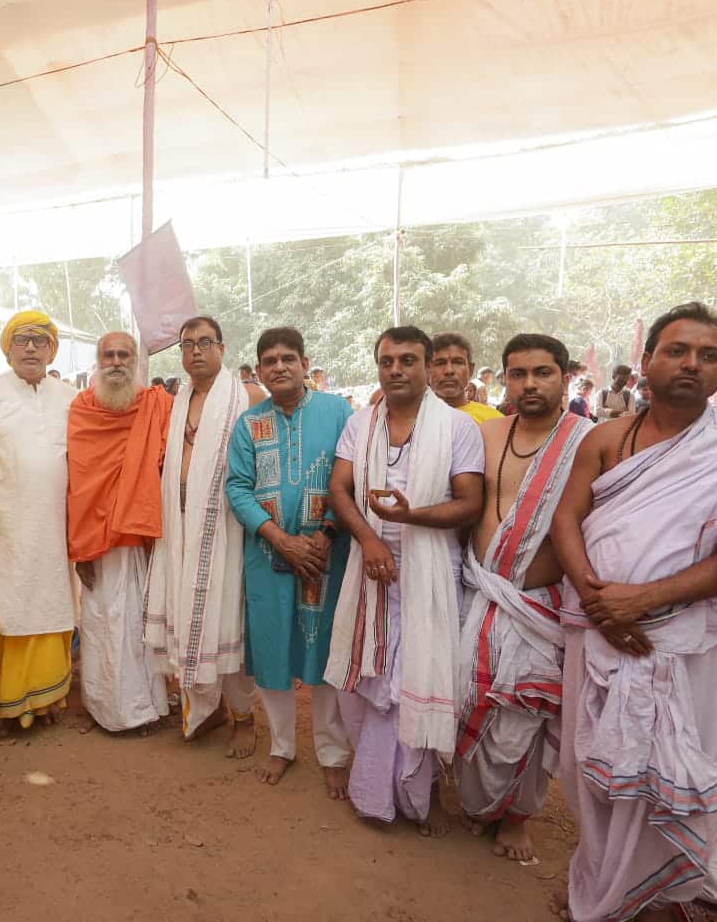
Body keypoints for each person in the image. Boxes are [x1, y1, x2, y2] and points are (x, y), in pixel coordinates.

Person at [549, 302, 717, 922]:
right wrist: (601, 602)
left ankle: (657, 895)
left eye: (708, 356)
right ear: (648, 360)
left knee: (681, 762)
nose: (691, 364)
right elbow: (565, 518)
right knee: (589, 764)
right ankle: (602, 885)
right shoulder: (605, 439)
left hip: (684, 642)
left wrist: (642, 601)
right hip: (597, 632)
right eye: (677, 351)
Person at [323, 326, 485, 836]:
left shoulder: (457, 427)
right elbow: (339, 488)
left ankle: (415, 792)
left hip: (431, 570)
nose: (395, 370)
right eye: (387, 361)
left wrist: (410, 517)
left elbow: (470, 503)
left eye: (408, 360)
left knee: (418, 677)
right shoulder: (361, 423)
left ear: (429, 366)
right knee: (367, 680)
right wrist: (371, 541)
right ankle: (376, 787)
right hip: (369, 568)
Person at [456, 334, 592, 863]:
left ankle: (517, 817)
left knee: (528, 710)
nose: (530, 384)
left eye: (542, 373)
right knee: (469, 696)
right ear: (504, 379)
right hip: (478, 589)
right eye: (518, 374)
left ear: (565, 377)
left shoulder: (589, 442)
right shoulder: (485, 433)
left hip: (539, 604)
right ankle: (477, 800)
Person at [225, 327, 354, 796]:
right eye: (269, 360)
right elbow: (237, 487)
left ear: (304, 364)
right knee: (272, 649)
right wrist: (281, 539)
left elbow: (351, 477)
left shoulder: (338, 412)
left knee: (324, 654)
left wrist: (327, 532)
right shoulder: (249, 423)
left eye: (288, 358)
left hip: (328, 555)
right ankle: (282, 746)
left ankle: (333, 752)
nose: (279, 367)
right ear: (259, 370)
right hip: (267, 556)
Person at [144, 315, 261, 757]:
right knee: (190, 613)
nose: (195, 351)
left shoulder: (248, 396)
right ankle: (207, 710)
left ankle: (244, 718)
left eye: (204, 342)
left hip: (228, 527)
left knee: (228, 617)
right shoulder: (178, 400)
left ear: (222, 348)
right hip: (179, 527)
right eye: (187, 344)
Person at [0, 311, 78, 730]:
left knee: (54, 603)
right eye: (21, 340)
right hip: (6, 527)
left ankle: (50, 698)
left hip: (56, 525)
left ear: (52, 350)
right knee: (12, 609)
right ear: (8, 349)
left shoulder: (70, 397)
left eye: (39, 340)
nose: (30, 348)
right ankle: (14, 701)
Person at [66, 332, 173, 733]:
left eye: (123, 355)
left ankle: (146, 706)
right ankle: (108, 709)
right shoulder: (82, 408)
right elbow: (78, 480)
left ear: (135, 361)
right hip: (96, 537)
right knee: (103, 621)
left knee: (142, 621)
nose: (116, 362)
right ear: (97, 361)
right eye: (108, 355)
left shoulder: (157, 404)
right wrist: (81, 547)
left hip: (144, 534)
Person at [430, 332, 503, 424]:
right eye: (440, 363)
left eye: (458, 362)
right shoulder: (414, 418)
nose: (449, 370)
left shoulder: (494, 420)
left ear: (471, 369)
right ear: (426, 370)